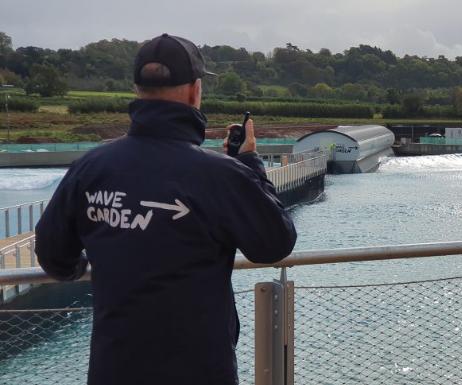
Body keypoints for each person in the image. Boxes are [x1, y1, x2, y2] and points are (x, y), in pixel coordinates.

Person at [35, 33, 297, 385]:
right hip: (200, 370)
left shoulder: (91, 167)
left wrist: (87, 265)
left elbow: (52, 253)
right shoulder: (219, 174)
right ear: (195, 90)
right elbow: (274, 243)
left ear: (136, 89)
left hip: (114, 368)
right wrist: (249, 162)